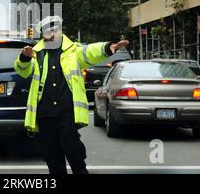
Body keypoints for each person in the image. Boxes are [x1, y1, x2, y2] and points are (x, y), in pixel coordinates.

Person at [14, 16, 129, 174]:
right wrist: (24, 58)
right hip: (44, 113)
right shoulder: (35, 53)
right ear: (43, 34)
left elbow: (90, 52)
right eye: (49, 31)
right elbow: (23, 71)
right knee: (52, 155)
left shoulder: (73, 50)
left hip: (66, 111)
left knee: (73, 149)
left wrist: (108, 47)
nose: (54, 34)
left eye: (57, 30)